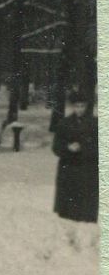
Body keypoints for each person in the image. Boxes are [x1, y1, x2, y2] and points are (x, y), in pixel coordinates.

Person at [52, 91, 98, 223]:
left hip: (87, 170)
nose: (79, 109)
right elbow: (56, 147)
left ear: (87, 106)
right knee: (67, 211)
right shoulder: (64, 123)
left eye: (82, 106)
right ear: (72, 106)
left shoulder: (95, 124)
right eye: (77, 106)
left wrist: (83, 148)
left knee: (86, 211)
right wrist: (67, 148)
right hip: (68, 170)